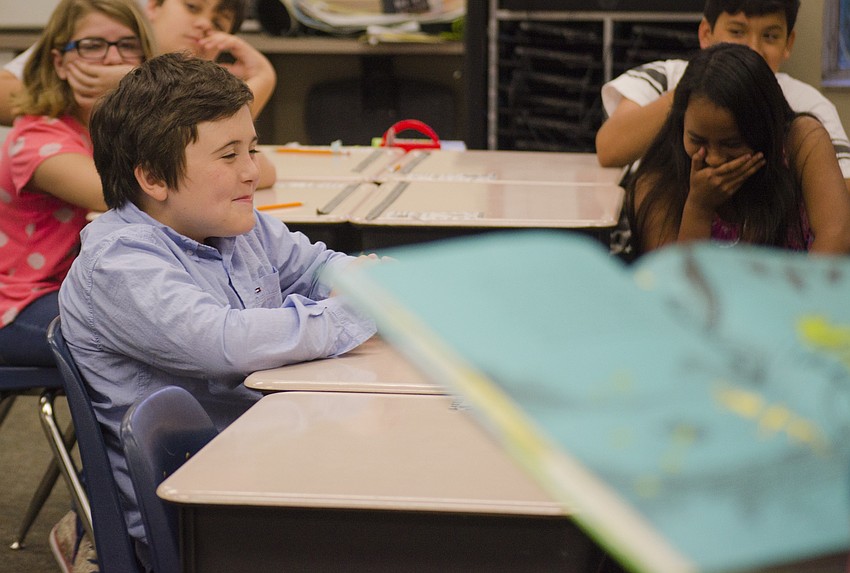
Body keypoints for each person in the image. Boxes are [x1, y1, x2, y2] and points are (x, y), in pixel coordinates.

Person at [59, 51, 379, 570]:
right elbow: (222, 342)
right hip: (204, 515)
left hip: (267, 459)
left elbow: (317, 265)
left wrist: (370, 282)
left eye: (251, 149)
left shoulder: (233, 224)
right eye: (228, 156)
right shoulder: (119, 263)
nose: (252, 171)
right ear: (153, 178)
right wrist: (354, 313)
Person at [0, 0, 156, 367]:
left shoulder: (111, 129)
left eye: (127, 45)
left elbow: (251, 166)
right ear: (60, 62)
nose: (112, 59)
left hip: (85, 285)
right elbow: (129, 196)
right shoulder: (38, 138)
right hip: (20, 302)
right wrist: (142, 87)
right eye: (92, 46)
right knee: (154, 338)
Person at [595, 0, 850, 192]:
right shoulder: (665, 77)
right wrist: (694, 89)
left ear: (788, 44)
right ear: (706, 34)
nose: (752, 49)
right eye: (737, 32)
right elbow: (610, 149)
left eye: (770, 36)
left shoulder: (808, 104)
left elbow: (844, 187)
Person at [626, 43, 850, 256]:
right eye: (697, 140)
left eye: (732, 144)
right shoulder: (658, 183)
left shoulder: (800, 141)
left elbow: (838, 235)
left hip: (802, 292)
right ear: (681, 124)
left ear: (765, 127)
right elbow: (675, 283)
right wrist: (699, 206)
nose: (713, 159)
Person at [0, 0, 277, 124]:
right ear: (154, 6)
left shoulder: (195, 80)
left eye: (219, 23)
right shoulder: (105, 30)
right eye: (191, 7)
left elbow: (217, 141)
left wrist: (264, 77)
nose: (205, 24)